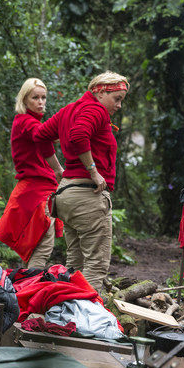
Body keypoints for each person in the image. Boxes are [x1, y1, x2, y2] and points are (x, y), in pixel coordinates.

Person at [33, 71, 129, 292]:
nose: (119, 106)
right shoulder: (96, 109)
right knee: (95, 266)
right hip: (87, 196)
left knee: (75, 265)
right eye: (117, 99)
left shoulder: (70, 109)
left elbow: (40, 136)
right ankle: (88, 321)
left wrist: (59, 171)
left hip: (67, 194)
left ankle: (65, 315)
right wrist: (93, 171)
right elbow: (78, 135)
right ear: (102, 91)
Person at [0, 78, 64, 269]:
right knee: (44, 246)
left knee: (34, 246)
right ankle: (28, 291)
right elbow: (44, 135)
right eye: (35, 98)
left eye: (44, 98)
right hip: (36, 191)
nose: (41, 102)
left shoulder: (29, 123)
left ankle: (20, 292)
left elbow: (47, 136)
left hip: (35, 190)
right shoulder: (26, 122)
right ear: (24, 100)